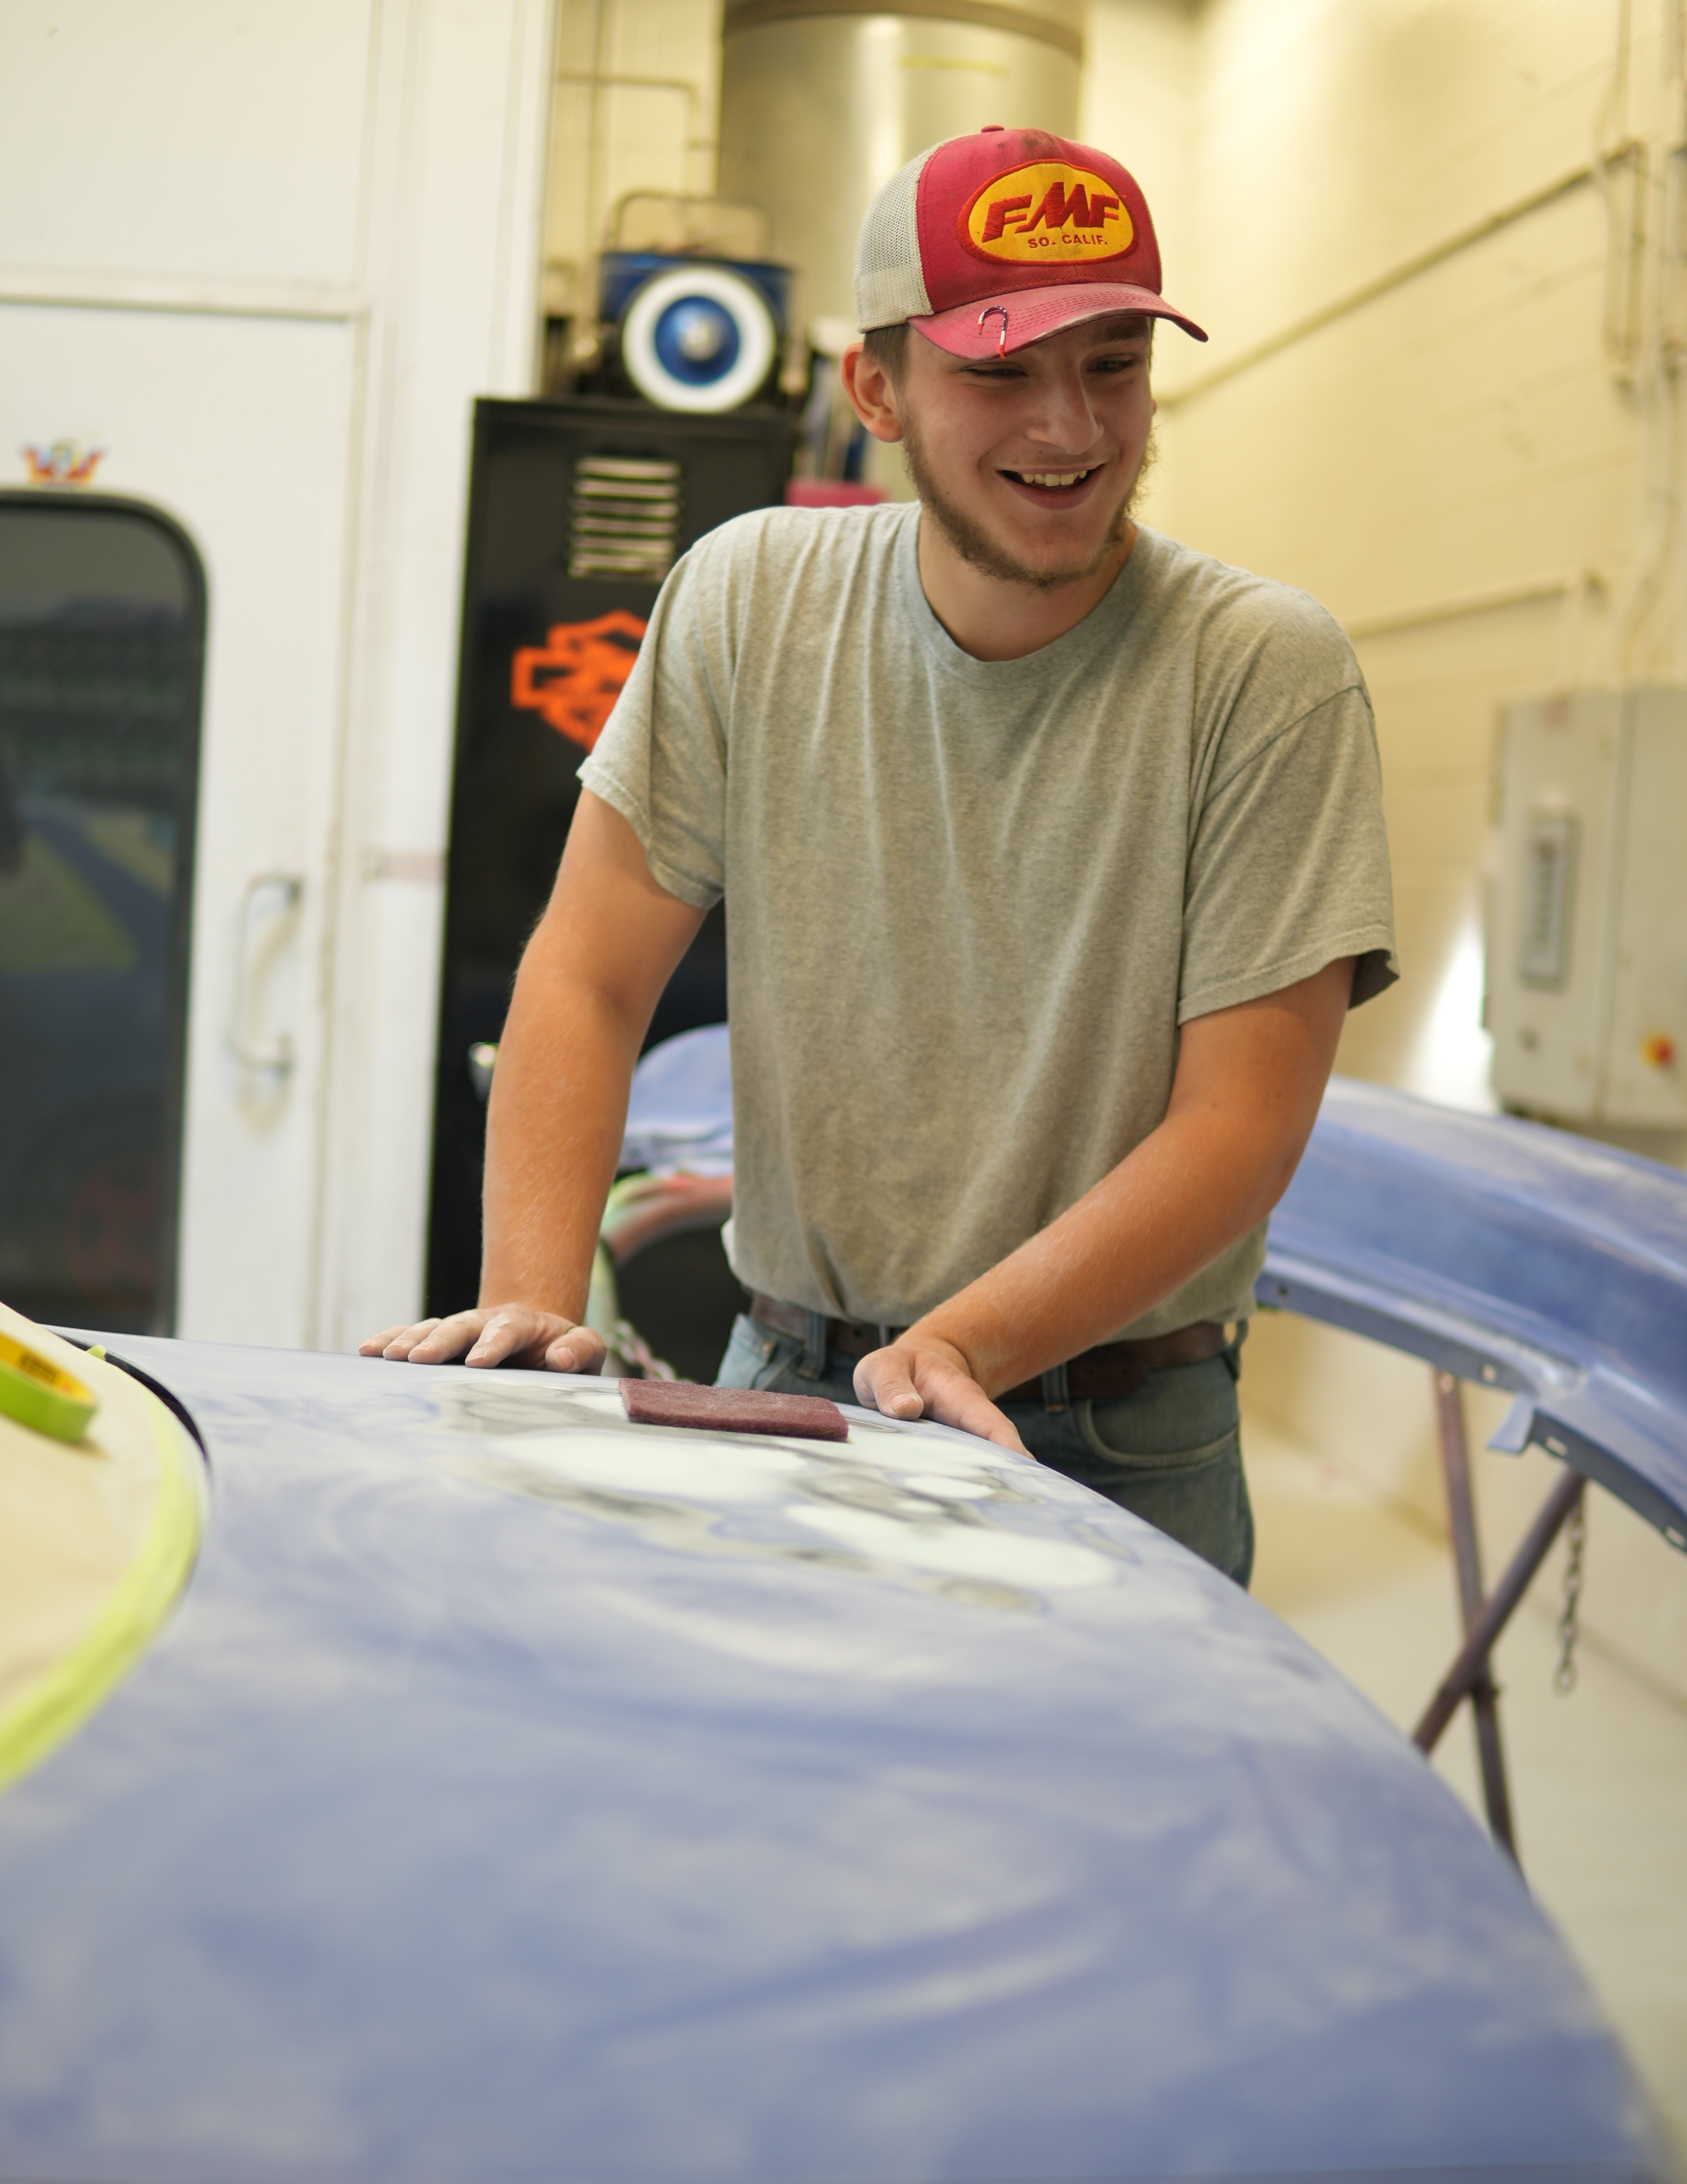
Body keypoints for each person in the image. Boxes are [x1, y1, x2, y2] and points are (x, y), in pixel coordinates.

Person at [365, 126, 1396, 1586]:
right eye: (1000, 369)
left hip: (1111, 1435)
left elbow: (1238, 1128)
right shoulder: (749, 599)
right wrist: (530, 1302)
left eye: (1114, 361)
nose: (1073, 427)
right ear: (879, 389)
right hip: (779, 1382)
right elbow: (589, 972)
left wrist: (964, 1344)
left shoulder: (1259, 672)